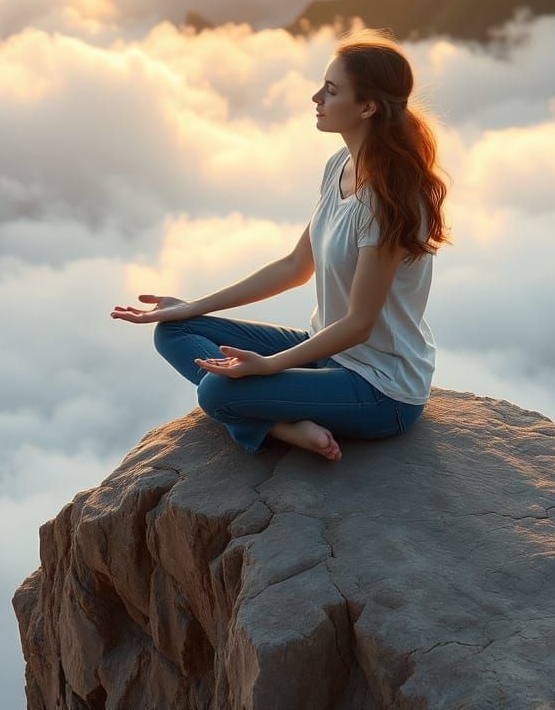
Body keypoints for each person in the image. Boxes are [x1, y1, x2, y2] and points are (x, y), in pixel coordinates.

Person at [110, 25, 451, 461]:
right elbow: (294, 266)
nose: (316, 98)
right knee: (175, 330)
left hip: (381, 387)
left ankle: (273, 422)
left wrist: (271, 365)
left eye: (330, 90)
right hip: (330, 356)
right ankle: (281, 423)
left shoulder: (388, 201)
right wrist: (192, 306)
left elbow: (359, 324)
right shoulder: (340, 166)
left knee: (217, 390)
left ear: (367, 107)